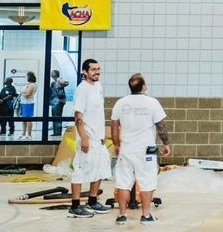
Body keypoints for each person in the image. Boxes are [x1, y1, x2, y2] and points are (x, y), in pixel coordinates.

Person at [110, 73, 170, 225]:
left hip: (126, 149)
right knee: (147, 182)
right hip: (146, 150)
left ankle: (122, 215)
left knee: (123, 182)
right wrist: (166, 143)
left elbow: (114, 125)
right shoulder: (152, 102)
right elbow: (160, 126)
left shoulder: (121, 103)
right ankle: (146, 215)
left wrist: (116, 144)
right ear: (144, 86)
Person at [68, 59, 110, 218]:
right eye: (93, 69)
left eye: (98, 69)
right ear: (85, 72)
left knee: (100, 169)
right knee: (80, 170)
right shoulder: (82, 89)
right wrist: (83, 137)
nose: (97, 72)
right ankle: (75, 206)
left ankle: (92, 201)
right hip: (87, 138)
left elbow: (98, 112)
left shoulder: (98, 86)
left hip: (98, 138)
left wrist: (103, 133)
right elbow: (78, 115)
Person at [49, 70, 69, 137]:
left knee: (57, 116)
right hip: (54, 101)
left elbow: (66, 83)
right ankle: (55, 131)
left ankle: (58, 132)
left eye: (52, 72)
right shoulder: (52, 83)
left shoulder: (59, 80)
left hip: (59, 101)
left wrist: (60, 85)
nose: (51, 73)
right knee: (54, 116)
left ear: (56, 74)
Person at [19, 71, 37, 140]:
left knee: (29, 119)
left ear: (29, 77)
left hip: (28, 103)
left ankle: (29, 134)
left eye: (26, 76)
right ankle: (23, 133)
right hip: (24, 103)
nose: (25, 77)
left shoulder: (32, 85)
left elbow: (27, 95)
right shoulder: (29, 84)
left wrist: (21, 92)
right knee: (24, 119)